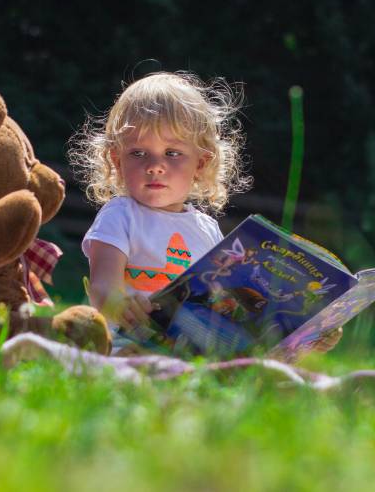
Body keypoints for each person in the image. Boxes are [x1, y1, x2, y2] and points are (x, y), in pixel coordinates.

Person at [70, 71, 251, 352]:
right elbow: (101, 287)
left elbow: (223, 304)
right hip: (127, 341)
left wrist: (309, 334)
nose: (155, 165)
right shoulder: (120, 215)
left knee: (258, 370)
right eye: (139, 153)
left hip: (193, 350)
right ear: (117, 161)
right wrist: (121, 305)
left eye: (172, 153)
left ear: (201, 164)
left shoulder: (208, 229)